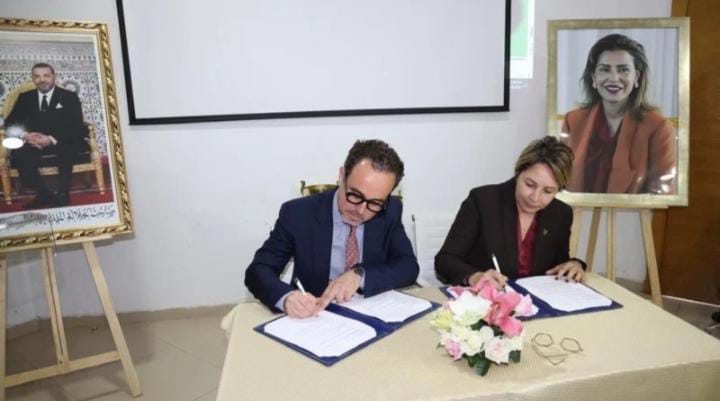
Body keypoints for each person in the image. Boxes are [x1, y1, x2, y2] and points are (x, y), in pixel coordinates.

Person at [245, 139, 419, 318]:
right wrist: (287, 298)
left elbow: (408, 267)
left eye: (375, 203)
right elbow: (258, 270)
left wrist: (360, 275)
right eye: (355, 195)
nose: (360, 211)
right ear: (342, 176)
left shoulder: (390, 211)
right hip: (315, 315)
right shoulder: (298, 214)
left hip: (369, 313)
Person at [435, 136, 586, 289]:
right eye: (530, 184)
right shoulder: (483, 201)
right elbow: (445, 260)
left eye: (548, 191)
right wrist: (475, 277)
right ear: (518, 173)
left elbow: (559, 264)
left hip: (537, 300)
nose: (535, 197)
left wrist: (574, 265)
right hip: (487, 298)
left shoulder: (561, 214)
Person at [561, 33, 676, 194]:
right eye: (605, 70)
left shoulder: (658, 127)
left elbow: (662, 193)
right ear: (593, 77)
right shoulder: (573, 120)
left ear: (636, 77)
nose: (614, 78)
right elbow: (560, 180)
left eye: (623, 70)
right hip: (577, 209)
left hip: (631, 211)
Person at [4, 62, 89, 209]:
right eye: (37, 76)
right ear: (33, 79)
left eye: (46, 75)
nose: (42, 79)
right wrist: (25, 135)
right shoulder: (25, 97)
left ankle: (63, 194)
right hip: (33, 142)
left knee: (67, 148)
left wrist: (50, 139)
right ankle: (44, 193)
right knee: (19, 154)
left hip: (61, 140)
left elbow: (76, 126)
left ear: (54, 77)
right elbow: (9, 123)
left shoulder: (69, 97)